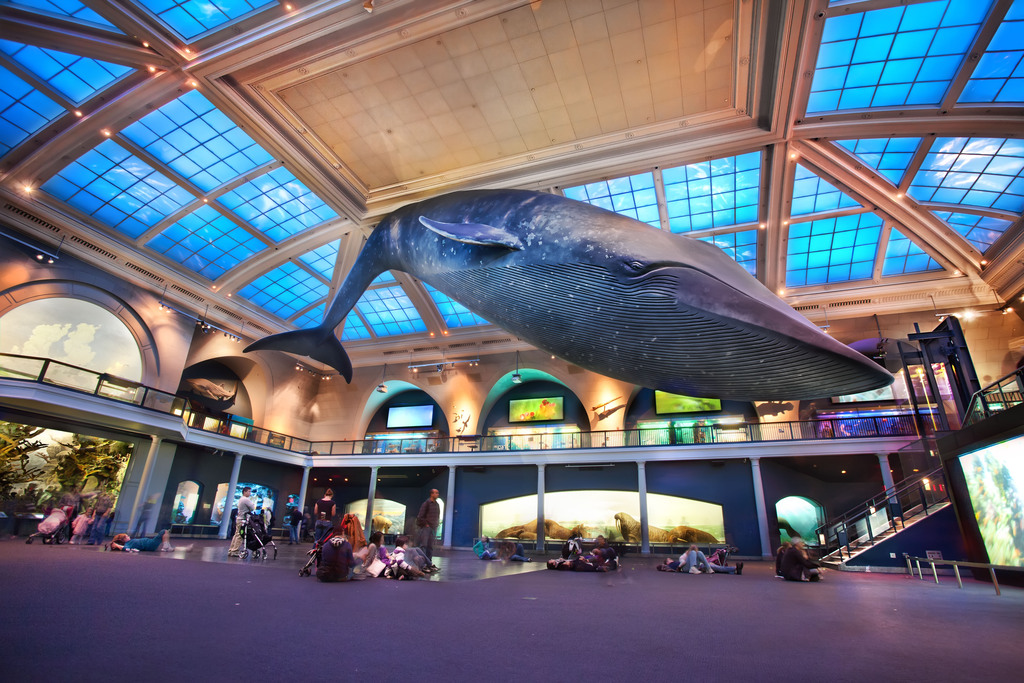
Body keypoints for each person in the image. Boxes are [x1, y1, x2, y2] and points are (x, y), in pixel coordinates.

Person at [659, 544, 742, 575]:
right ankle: (694, 568)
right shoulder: (672, 564)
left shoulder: (678, 560)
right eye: (669, 559)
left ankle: (734, 569)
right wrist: (679, 567)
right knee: (694, 552)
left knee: (699, 553)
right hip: (685, 568)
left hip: (695, 566)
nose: (670, 559)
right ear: (667, 562)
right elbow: (683, 563)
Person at [227, 487, 255, 557]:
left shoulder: (241, 499)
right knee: (240, 535)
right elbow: (252, 507)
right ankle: (235, 551)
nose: (250, 493)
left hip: (238, 519)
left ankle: (231, 549)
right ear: (244, 492)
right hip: (243, 519)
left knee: (236, 534)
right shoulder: (245, 499)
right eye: (249, 491)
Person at [108, 530, 192, 552]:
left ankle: (184, 549)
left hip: (149, 543)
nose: (129, 536)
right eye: (127, 536)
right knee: (164, 531)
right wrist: (116, 545)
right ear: (123, 540)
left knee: (170, 545)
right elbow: (125, 548)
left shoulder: (130, 542)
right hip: (150, 544)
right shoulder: (128, 544)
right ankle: (166, 546)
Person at [416, 488, 441, 562]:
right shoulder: (426, 503)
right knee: (424, 545)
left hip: (433, 527)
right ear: (431, 494)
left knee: (430, 546)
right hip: (426, 527)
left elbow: (437, 515)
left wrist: (436, 524)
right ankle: (422, 563)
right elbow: (420, 516)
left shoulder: (437, 504)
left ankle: (429, 562)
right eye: (436, 493)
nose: (437, 494)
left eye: (438, 493)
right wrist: (426, 524)